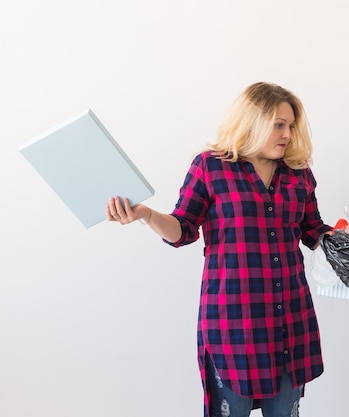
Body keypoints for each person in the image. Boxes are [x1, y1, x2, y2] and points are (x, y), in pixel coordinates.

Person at [106, 82, 333, 417]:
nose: (287, 134)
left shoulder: (298, 174)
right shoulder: (211, 167)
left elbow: (315, 231)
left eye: (291, 125)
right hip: (234, 322)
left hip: (290, 320)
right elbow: (183, 229)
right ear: (252, 122)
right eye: (279, 125)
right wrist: (147, 215)